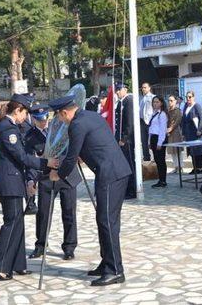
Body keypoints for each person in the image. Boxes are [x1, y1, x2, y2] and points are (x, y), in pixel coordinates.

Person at [48, 95, 132, 287]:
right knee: (105, 220)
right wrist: (85, 154)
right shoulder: (90, 116)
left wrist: (58, 175)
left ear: (64, 112)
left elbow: (70, 158)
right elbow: (97, 141)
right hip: (113, 171)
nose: (59, 121)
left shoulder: (76, 125)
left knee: (107, 222)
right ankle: (107, 263)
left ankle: (115, 270)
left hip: (111, 174)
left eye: (59, 117)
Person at [0, 94, 58, 281]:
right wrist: (46, 163)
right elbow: (22, 157)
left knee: (17, 222)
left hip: (12, 181)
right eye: (25, 112)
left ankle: (17, 264)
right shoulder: (7, 129)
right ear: (17, 110)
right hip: (8, 182)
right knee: (11, 222)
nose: (26, 117)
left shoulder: (10, 127)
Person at [26, 104, 81, 261]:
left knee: (69, 212)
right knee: (43, 214)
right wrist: (31, 180)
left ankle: (69, 247)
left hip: (67, 175)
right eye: (39, 120)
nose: (43, 123)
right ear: (34, 119)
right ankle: (41, 245)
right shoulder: (30, 136)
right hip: (46, 178)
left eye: (45, 119)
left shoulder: (62, 128)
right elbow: (30, 159)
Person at [114, 82, 136, 200]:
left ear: (125, 89)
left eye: (119, 89)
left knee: (129, 164)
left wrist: (124, 138)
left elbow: (129, 122)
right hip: (121, 138)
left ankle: (132, 190)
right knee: (125, 164)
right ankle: (127, 188)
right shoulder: (121, 102)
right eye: (116, 90)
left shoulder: (129, 101)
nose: (117, 92)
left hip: (127, 140)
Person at [181, 90, 202, 174]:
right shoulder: (185, 106)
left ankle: (199, 168)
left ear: (193, 97)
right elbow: (183, 120)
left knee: (197, 150)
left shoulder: (196, 106)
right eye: (187, 97)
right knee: (191, 150)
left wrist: (199, 129)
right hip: (188, 132)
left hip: (196, 132)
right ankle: (194, 167)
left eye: (190, 97)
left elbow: (201, 118)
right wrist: (183, 133)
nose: (188, 99)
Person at [148, 96, 169, 188]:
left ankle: (163, 180)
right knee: (157, 160)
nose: (155, 104)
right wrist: (149, 141)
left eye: (157, 102)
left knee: (161, 160)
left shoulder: (162, 114)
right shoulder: (154, 114)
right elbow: (151, 128)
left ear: (161, 103)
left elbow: (162, 130)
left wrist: (160, 142)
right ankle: (160, 179)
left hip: (159, 138)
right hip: (153, 137)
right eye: (154, 102)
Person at [166, 94, 184, 173]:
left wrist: (171, 128)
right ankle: (176, 166)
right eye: (169, 100)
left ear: (175, 101)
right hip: (169, 133)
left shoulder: (178, 110)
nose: (170, 102)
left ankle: (180, 167)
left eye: (171, 100)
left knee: (178, 150)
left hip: (176, 132)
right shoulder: (167, 111)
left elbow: (177, 121)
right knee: (172, 150)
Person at [139, 82, 155, 162]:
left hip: (150, 122)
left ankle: (155, 159)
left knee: (151, 141)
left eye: (145, 87)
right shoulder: (142, 99)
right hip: (142, 122)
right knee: (144, 142)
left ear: (149, 88)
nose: (143, 89)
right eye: (142, 88)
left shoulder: (153, 97)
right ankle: (146, 159)